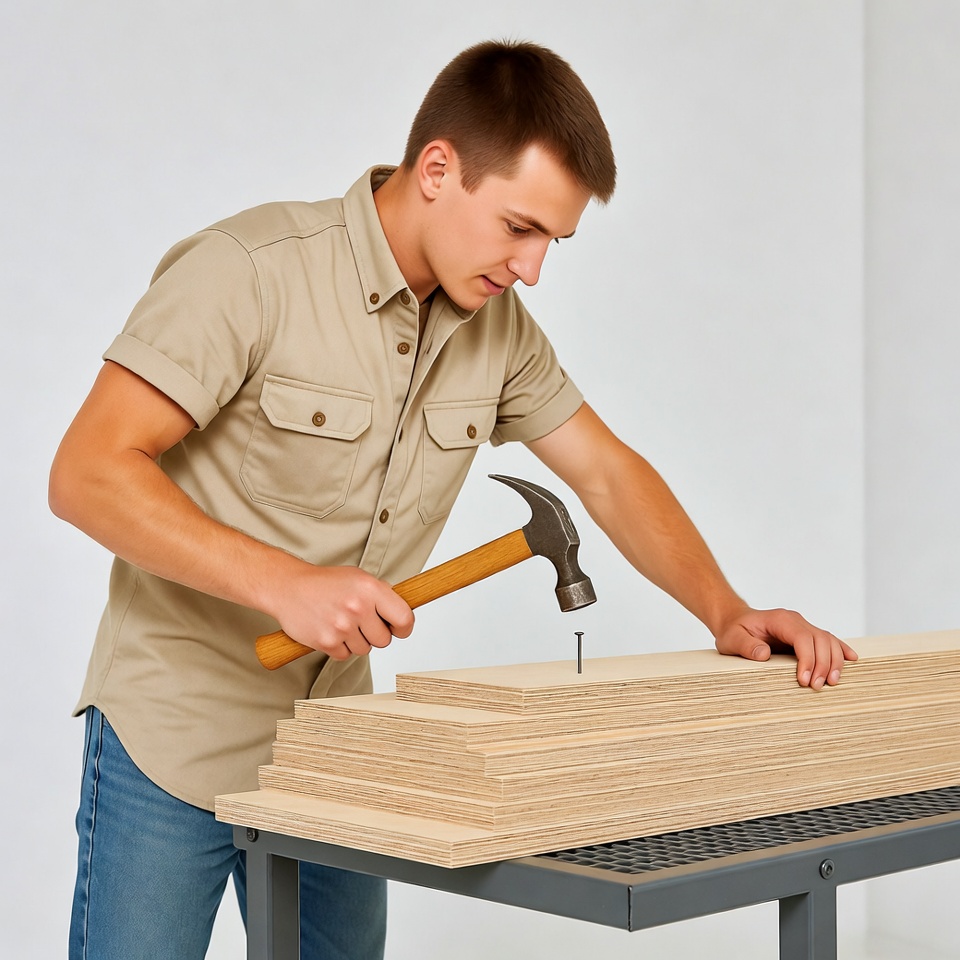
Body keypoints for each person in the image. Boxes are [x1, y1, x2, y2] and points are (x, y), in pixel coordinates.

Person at [49, 39, 857, 960]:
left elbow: (605, 472)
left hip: (335, 746)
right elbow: (87, 472)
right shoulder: (252, 271)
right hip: (171, 734)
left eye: (553, 240)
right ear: (438, 168)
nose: (534, 267)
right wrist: (288, 585)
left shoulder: (498, 331)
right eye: (519, 226)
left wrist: (728, 611)